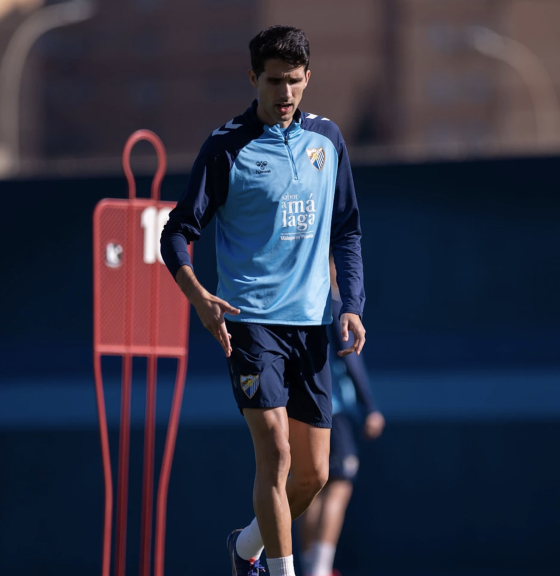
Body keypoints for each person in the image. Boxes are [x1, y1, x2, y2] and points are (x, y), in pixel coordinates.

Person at [160, 25, 365, 576]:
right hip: (250, 323)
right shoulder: (226, 147)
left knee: (314, 475)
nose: (285, 94)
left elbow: (345, 229)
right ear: (253, 78)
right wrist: (200, 297)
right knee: (275, 451)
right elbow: (175, 233)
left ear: (307, 79)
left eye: (295, 82)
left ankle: (245, 547)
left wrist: (352, 305)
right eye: (274, 81)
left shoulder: (328, 140)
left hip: (311, 325)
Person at [298, 257, 384, 576]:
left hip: (304, 408)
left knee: (312, 487)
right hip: (334, 411)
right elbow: (351, 359)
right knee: (338, 486)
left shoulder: (300, 304)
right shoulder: (334, 304)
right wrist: (370, 407)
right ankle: (319, 569)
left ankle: (309, 569)